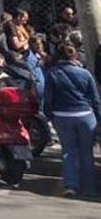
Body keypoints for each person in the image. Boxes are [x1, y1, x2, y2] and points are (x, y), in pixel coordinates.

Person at [42, 44, 101, 198]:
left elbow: (47, 99)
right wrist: (99, 118)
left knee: (68, 152)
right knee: (87, 152)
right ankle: (89, 188)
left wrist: (49, 116)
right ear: (75, 56)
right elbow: (95, 99)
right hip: (85, 116)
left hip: (62, 116)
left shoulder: (52, 74)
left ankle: (71, 185)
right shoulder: (85, 73)